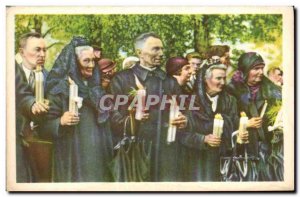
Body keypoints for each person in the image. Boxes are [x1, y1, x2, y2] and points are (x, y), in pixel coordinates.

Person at [109, 32, 191, 182]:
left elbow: (186, 112)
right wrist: (133, 119)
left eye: (161, 49)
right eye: (155, 49)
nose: (161, 53)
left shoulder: (170, 82)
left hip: (167, 155)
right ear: (139, 52)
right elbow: (112, 118)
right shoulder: (122, 79)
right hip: (135, 155)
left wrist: (184, 120)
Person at [42, 37, 113, 182]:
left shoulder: (97, 89)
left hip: (98, 156)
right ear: (74, 62)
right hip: (72, 157)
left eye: (93, 60)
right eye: (86, 60)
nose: (92, 65)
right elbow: (43, 127)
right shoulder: (59, 89)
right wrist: (60, 121)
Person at [227, 52, 282, 181]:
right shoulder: (231, 90)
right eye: (256, 68)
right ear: (245, 70)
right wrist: (245, 123)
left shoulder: (270, 88)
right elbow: (225, 118)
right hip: (242, 146)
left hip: (265, 147)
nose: (261, 72)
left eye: (262, 68)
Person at [180, 63, 239, 181]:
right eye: (218, 78)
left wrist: (239, 133)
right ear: (205, 80)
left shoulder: (230, 100)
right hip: (197, 163)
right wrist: (204, 139)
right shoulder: (188, 101)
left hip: (223, 161)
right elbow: (181, 135)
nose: (223, 82)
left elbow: (235, 127)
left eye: (224, 78)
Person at [15, 32, 49, 182]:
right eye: (37, 49)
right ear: (22, 52)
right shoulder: (9, 73)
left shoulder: (52, 78)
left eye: (44, 50)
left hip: (41, 144)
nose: (42, 54)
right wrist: (32, 105)